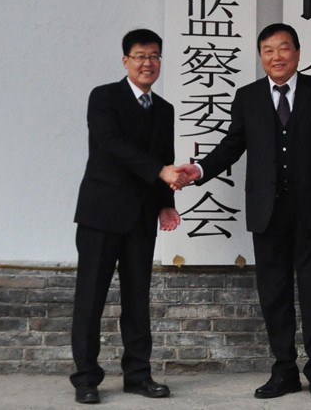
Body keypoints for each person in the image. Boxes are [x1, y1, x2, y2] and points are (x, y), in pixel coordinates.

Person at [177, 23, 311, 402]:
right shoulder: (248, 97)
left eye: (284, 48)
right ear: (261, 57)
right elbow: (232, 146)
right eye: (268, 50)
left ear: (298, 53)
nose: (277, 56)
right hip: (267, 211)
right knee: (274, 293)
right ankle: (284, 371)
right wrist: (200, 170)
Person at [70, 29, 186, 405]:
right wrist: (160, 172)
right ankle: (86, 378)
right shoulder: (104, 97)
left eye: (154, 56)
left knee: (137, 299)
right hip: (101, 214)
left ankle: (138, 375)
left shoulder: (164, 109)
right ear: (125, 61)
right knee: (91, 298)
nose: (147, 63)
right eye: (140, 56)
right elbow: (112, 144)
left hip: (141, 217)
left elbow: (165, 155)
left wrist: (166, 202)